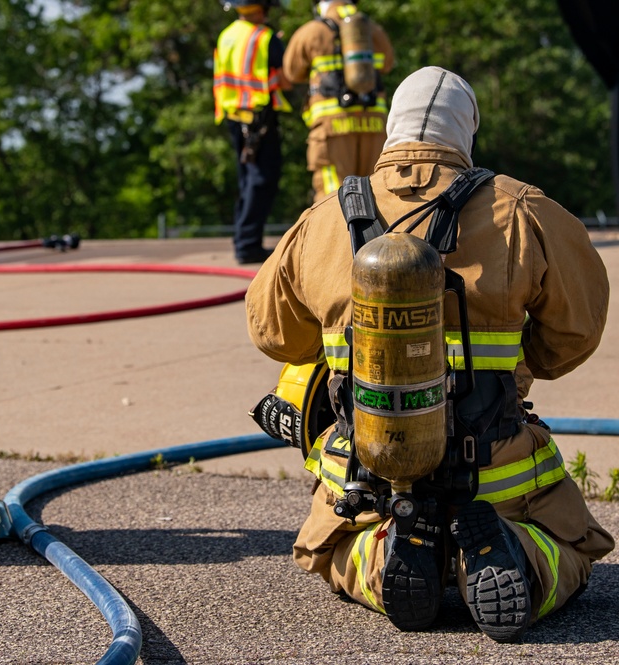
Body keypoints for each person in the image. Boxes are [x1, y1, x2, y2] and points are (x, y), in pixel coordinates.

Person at [244, 66, 614, 642]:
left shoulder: (321, 220)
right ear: (466, 135)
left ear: (391, 131)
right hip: (497, 475)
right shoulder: (522, 211)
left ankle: (380, 556)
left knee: (330, 548)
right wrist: (523, 362)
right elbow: (575, 334)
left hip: (366, 478)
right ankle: (511, 554)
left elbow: (275, 336)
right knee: (573, 545)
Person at [283, 0, 394, 203]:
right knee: (377, 196)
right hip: (375, 126)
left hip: (332, 129)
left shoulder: (312, 31)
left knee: (332, 200)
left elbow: (291, 71)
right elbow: (388, 63)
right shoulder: (373, 30)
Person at [214, 1, 293, 264]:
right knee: (262, 180)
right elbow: (285, 80)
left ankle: (243, 240)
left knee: (247, 181)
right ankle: (248, 245)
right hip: (259, 119)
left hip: (234, 116)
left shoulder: (227, 35)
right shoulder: (264, 38)